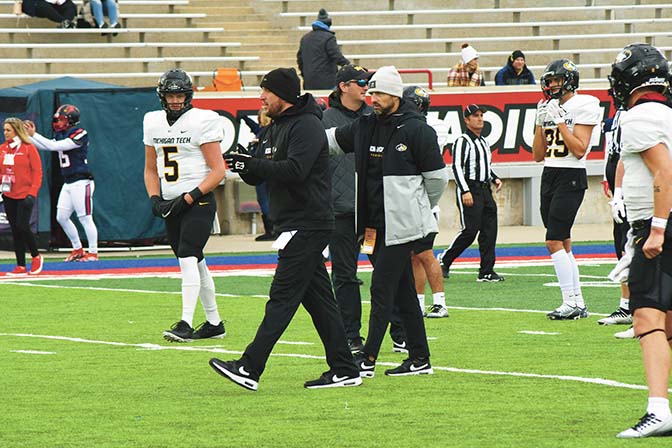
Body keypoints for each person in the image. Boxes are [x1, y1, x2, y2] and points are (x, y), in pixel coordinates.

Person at [209, 67, 361, 390]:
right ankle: (345, 368)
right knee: (320, 302)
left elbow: (295, 170)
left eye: (267, 91)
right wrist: (242, 164)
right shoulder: (275, 126)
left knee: (282, 297)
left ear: (284, 95)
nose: (262, 97)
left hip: (308, 223)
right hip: (294, 223)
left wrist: (253, 164)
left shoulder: (307, 125)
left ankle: (249, 367)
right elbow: (261, 172)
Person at [326, 65, 449, 378]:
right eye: (372, 92)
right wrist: (295, 139)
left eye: (379, 93)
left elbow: (437, 180)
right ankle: (420, 358)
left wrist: (416, 208)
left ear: (395, 94)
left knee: (381, 289)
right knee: (403, 292)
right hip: (372, 225)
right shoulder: (366, 125)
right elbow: (330, 141)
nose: (373, 98)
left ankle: (367, 358)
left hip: (402, 227)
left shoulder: (417, 129)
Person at [609, 43, 672, 439]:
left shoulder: (638, 117)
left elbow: (664, 170)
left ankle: (658, 409)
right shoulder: (666, 114)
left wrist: (658, 228)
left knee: (647, 315)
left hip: (658, 222)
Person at [143, 69, 227, 343]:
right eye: (171, 95)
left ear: (188, 95)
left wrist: (188, 198)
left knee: (188, 255)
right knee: (196, 261)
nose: (175, 100)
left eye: (180, 95)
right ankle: (214, 322)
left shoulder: (203, 119)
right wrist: (155, 198)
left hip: (198, 200)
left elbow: (218, 170)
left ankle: (185, 323)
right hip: (171, 202)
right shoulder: (152, 121)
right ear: (162, 96)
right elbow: (150, 168)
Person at [532, 59, 601, 320]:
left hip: (571, 174)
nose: (551, 85)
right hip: (549, 173)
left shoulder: (584, 104)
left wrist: (560, 121)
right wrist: (540, 123)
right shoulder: (548, 105)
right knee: (563, 242)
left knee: (553, 240)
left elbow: (580, 149)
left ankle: (569, 301)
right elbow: (537, 155)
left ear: (569, 81)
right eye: (549, 81)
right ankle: (578, 302)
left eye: (556, 80)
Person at [321, 64, 372, 353]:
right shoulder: (324, 119)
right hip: (341, 211)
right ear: (343, 86)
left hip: (374, 211)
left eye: (368, 82)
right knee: (344, 276)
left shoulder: (375, 116)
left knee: (389, 272)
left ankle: (399, 331)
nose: (366, 86)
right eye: (360, 82)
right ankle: (351, 335)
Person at [438, 104, 504, 283]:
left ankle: (486, 271)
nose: (480, 119)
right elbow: (457, 167)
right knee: (470, 230)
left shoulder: (484, 142)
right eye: (475, 116)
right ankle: (445, 259)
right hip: (470, 188)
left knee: (490, 231)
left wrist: (494, 178)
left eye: (481, 115)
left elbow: (485, 166)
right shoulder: (462, 141)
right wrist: (465, 190)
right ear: (466, 120)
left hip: (485, 189)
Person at [26, 104, 99, 263]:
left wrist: (34, 134)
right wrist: (26, 136)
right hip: (69, 182)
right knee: (62, 217)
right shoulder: (61, 134)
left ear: (71, 120)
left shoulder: (80, 133)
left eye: (61, 120)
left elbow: (53, 146)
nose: (58, 123)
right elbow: (46, 145)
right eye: (57, 120)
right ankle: (78, 249)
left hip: (82, 181)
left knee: (85, 218)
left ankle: (93, 252)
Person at [402, 86, 449, 317]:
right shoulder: (416, 127)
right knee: (414, 256)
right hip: (412, 202)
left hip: (425, 203)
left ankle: (440, 302)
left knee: (425, 253)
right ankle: (418, 302)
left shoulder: (429, 128)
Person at [597, 95, 632, 328]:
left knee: (634, 248)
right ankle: (628, 307)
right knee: (623, 247)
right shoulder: (619, 115)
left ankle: (636, 309)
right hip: (623, 186)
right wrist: (612, 184)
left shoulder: (646, 113)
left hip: (639, 189)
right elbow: (613, 152)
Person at [1, 118, 43, 276]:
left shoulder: (28, 148)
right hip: (8, 194)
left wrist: (33, 192)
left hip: (25, 194)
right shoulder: (3, 149)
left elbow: (37, 172)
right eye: (4, 130)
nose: (5, 133)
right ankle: (20, 265)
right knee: (15, 229)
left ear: (17, 131)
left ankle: (36, 256)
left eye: (8, 130)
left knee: (22, 226)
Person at [240, 110, 276, 241]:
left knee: (264, 199)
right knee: (265, 199)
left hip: (262, 170)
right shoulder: (268, 131)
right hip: (266, 170)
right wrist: (244, 118)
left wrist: (244, 117)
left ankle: (271, 230)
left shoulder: (264, 132)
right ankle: (271, 229)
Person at [296, 8, 350, 90]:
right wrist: (349, 66)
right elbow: (336, 56)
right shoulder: (329, 38)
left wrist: (305, 75)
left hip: (309, 82)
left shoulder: (305, 38)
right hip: (327, 82)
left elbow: (300, 60)